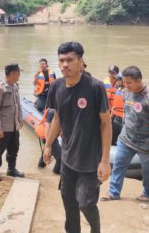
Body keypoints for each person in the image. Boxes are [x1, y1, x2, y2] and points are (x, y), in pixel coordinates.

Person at [44, 41, 112, 233]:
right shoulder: (56, 86)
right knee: (69, 204)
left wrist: (105, 161)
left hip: (90, 160)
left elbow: (106, 124)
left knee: (86, 204)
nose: (65, 64)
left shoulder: (95, 87)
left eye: (70, 60)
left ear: (80, 61)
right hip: (67, 159)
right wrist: (48, 145)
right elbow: (57, 117)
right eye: (61, 60)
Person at [102, 66, 149, 202]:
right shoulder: (126, 92)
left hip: (146, 142)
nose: (125, 85)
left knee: (148, 170)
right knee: (119, 164)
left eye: (129, 82)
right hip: (126, 138)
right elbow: (127, 114)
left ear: (139, 80)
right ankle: (113, 192)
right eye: (124, 82)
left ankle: (148, 193)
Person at [0, 63, 25, 182]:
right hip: (3, 127)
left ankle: (11, 169)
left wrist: (20, 119)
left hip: (14, 126)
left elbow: (18, 105)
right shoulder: (0, 88)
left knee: (14, 148)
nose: (19, 75)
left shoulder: (15, 86)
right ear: (12, 74)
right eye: (18, 73)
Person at [37, 108, 62, 174]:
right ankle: (55, 174)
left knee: (44, 155)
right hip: (49, 137)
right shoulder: (52, 112)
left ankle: (40, 169)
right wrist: (48, 144)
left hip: (53, 137)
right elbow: (47, 127)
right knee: (61, 158)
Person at [110, 73, 124, 145]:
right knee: (112, 140)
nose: (117, 82)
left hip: (124, 121)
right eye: (117, 80)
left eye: (119, 80)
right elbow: (114, 106)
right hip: (116, 119)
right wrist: (110, 118)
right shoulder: (118, 90)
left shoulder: (130, 92)